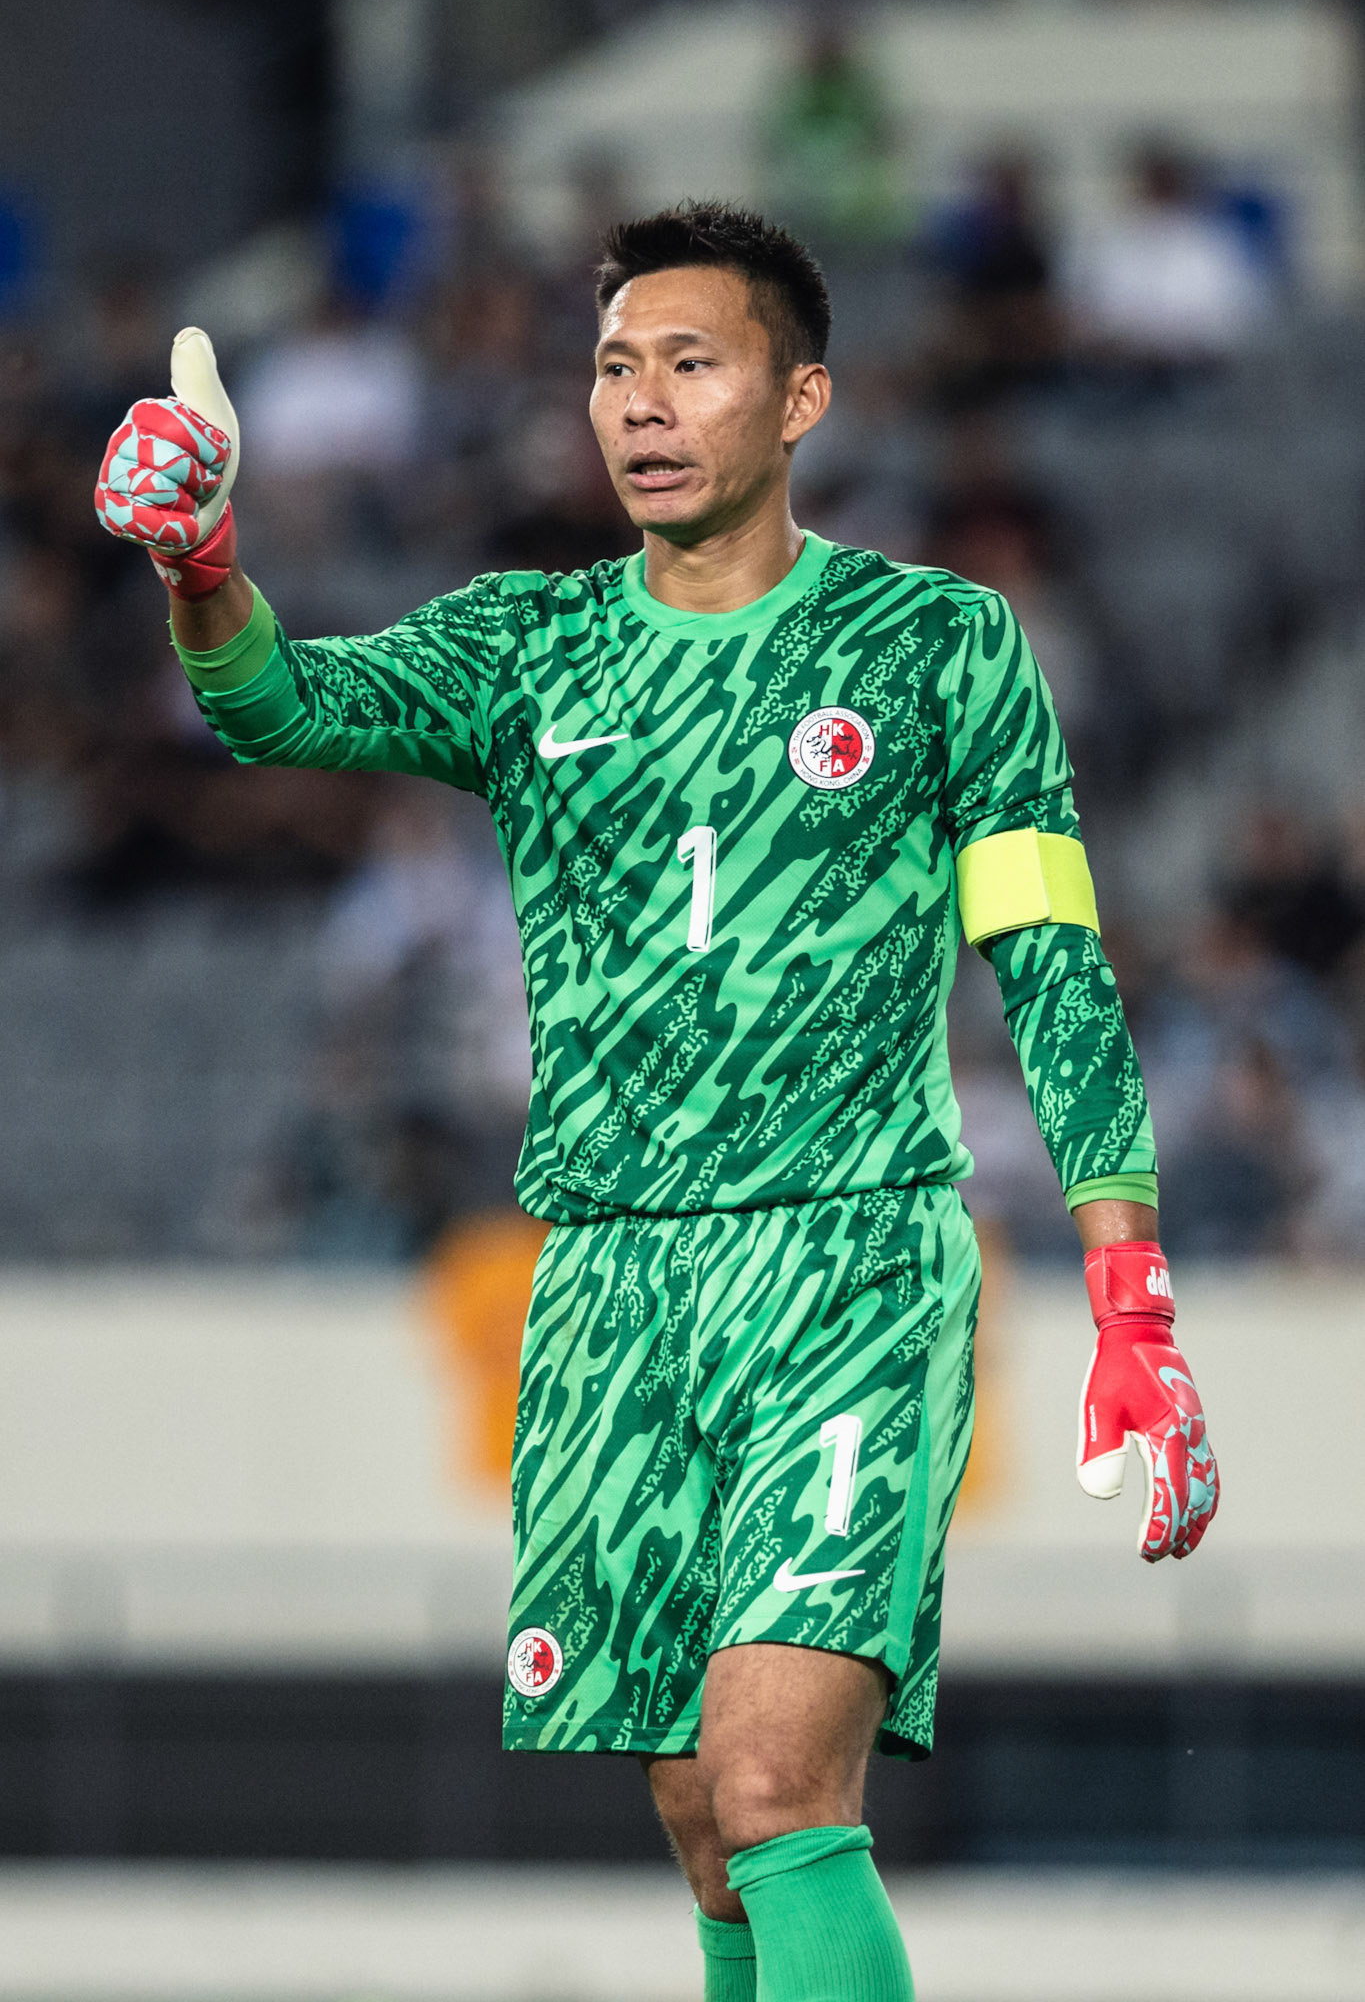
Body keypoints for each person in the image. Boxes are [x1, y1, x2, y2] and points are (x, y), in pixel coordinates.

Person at [94, 202, 1219, 2002]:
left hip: (846, 1256)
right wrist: (203, 569)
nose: (639, 402)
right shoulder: (527, 647)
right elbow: (280, 710)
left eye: (691, 363)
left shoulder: (937, 646)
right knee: (706, 1813)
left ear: (801, 401)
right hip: (612, 1281)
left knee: (779, 1778)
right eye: (615, 366)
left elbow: (1051, 960)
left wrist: (1125, 1288)